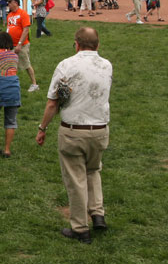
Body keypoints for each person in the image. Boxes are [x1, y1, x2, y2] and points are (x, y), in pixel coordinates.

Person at [35, 27, 112, 244]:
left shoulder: (66, 65)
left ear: (76, 44)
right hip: (99, 129)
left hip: (73, 130)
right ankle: (97, 213)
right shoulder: (107, 65)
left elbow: (53, 102)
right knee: (94, 169)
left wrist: (42, 128)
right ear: (97, 45)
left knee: (75, 178)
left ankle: (80, 227)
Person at [6, 0, 39, 92]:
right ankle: (12, 84)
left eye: (10, 2)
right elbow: (9, 29)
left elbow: (26, 30)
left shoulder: (23, 14)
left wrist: (20, 44)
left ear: (15, 3)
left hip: (22, 45)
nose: (8, 4)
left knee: (26, 64)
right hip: (11, 45)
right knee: (11, 65)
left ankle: (34, 84)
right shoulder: (9, 15)